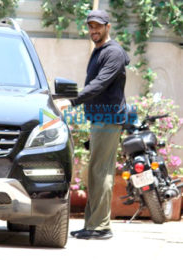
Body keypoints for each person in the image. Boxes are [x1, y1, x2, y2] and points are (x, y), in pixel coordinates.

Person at [69, 10, 130, 239]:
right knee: (95, 173)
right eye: (90, 27)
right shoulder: (100, 51)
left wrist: (72, 101)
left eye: (98, 26)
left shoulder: (113, 52)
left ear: (108, 27)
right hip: (100, 119)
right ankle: (91, 225)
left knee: (101, 173)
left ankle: (101, 227)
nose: (94, 30)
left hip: (109, 118)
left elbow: (99, 84)